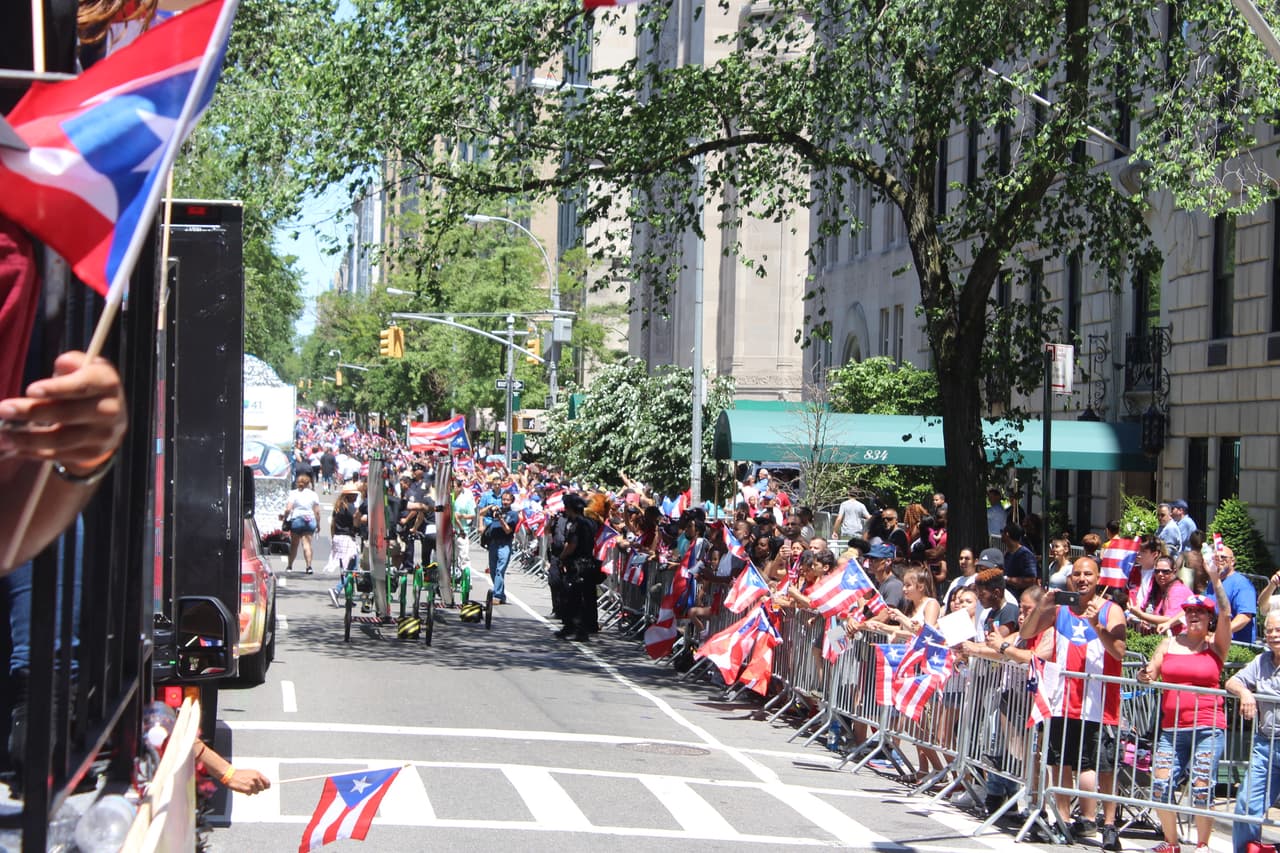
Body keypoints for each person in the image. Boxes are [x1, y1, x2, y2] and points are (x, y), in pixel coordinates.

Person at [1020, 557, 1126, 851]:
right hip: (1062, 700)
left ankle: (1107, 824)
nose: (1081, 579)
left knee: (1100, 766)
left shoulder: (1111, 609)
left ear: (1098, 577)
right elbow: (1027, 633)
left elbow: (1118, 652)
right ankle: (1063, 820)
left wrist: (1096, 624)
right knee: (1059, 761)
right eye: (1077, 574)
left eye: (1087, 574)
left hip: (1099, 703)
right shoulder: (1061, 610)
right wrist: (1043, 605)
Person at [1137, 557, 1231, 853]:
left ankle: (1202, 845)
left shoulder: (1215, 646)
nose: (1193, 617)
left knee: (1202, 788)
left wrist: (1215, 579)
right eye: (1189, 612)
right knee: (1160, 785)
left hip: (1208, 726)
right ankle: (1171, 842)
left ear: (1208, 620)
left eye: (1200, 614)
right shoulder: (1167, 644)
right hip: (1171, 728)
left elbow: (1227, 613)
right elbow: (1151, 671)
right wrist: (1145, 676)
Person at [1228, 609, 1280, 851]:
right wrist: (1245, 692)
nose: (1273, 635)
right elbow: (1232, 681)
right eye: (1269, 630)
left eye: (1278, 630)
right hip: (1264, 744)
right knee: (1246, 805)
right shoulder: (1261, 661)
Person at [555, 493, 599, 641]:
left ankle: (575, 627)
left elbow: (572, 545)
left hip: (577, 564)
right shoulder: (591, 522)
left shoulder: (576, 524)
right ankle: (586, 627)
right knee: (587, 597)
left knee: (572, 597)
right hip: (589, 563)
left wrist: (561, 557)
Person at [1128, 555, 1192, 636]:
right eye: (1157, 571)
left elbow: (1169, 619)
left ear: (1174, 571)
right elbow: (1145, 609)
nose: (1160, 574)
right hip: (1160, 636)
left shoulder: (1177, 589)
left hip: (1180, 638)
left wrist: (1141, 615)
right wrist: (1140, 617)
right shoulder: (1156, 587)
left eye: (1165, 571)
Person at [326, 484, 366, 607]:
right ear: (350, 495)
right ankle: (337, 590)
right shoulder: (350, 507)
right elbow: (358, 519)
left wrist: (333, 537)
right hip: (347, 538)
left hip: (338, 537)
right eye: (354, 495)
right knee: (352, 568)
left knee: (345, 568)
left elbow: (333, 524)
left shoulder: (338, 507)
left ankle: (350, 596)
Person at [1214, 544, 1257, 643]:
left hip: (1235, 644)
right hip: (1214, 641)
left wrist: (1221, 633)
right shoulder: (1214, 582)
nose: (1219, 559)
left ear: (1232, 561)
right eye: (1216, 557)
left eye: (1223, 557)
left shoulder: (1242, 584)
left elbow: (1245, 616)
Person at [482, 489, 516, 604]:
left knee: (499, 570)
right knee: (492, 571)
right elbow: (481, 513)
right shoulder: (496, 511)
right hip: (493, 544)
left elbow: (507, 530)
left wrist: (501, 518)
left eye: (507, 500)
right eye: (503, 499)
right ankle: (501, 595)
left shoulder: (513, 515)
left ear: (511, 501)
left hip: (504, 545)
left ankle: (496, 595)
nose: (505, 502)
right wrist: (491, 507)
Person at [281, 473, 321, 574]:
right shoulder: (313, 494)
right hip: (309, 520)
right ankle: (309, 567)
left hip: (297, 520)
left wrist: (285, 518)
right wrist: (318, 524)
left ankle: (289, 566)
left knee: (294, 544)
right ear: (309, 483)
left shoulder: (293, 493)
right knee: (307, 544)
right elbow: (317, 512)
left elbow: (288, 509)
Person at [1000, 523, 1039, 593]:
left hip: (1019, 598)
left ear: (1007, 534)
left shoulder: (1025, 555)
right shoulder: (1007, 554)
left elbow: (1031, 580)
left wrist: (1007, 579)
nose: (1001, 534)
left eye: (1001, 532)